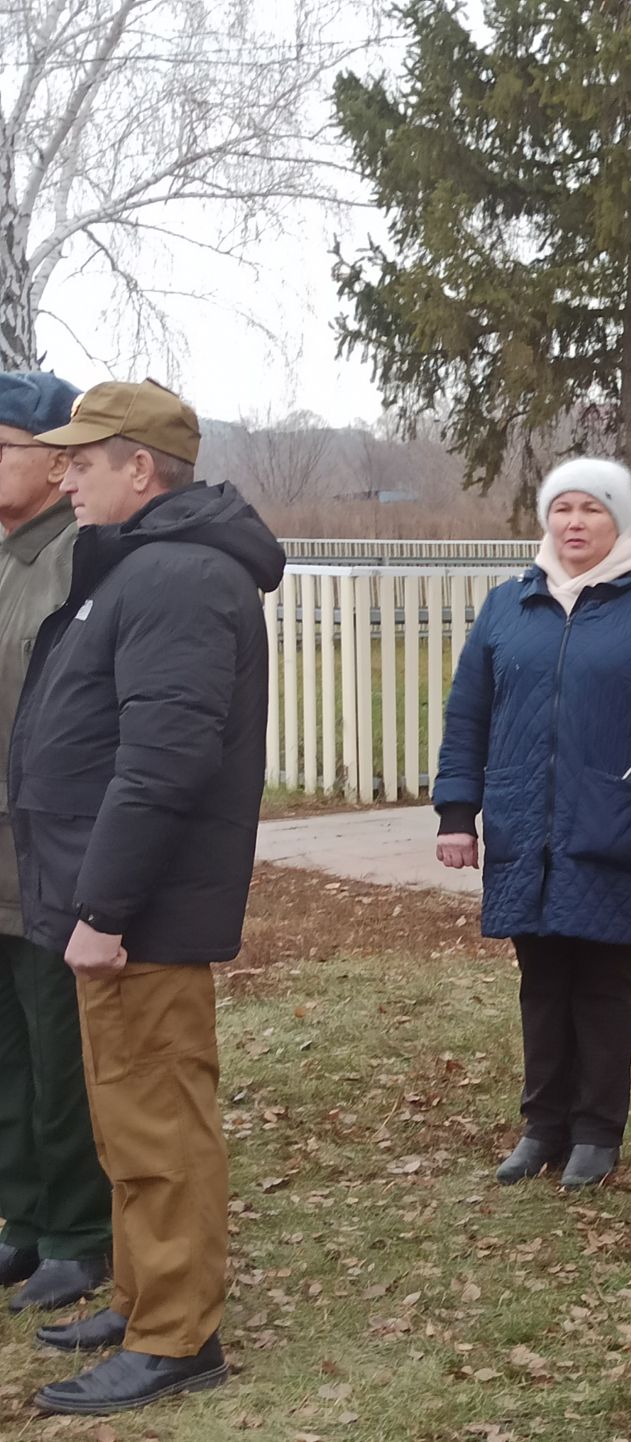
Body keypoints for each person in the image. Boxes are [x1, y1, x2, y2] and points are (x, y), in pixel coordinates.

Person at [13, 379, 285, 1415]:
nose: (64, 474)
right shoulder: (141, 564)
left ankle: (178, 1334)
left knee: (160, 1119)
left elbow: (164, 758)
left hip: (141, 915)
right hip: (115, 904)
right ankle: (142, 1295)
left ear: (141, 467)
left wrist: (107, 908)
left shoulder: (175, 576)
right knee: (128, 1116)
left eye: (83, 460)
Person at [435, 458, 631, 1191]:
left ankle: (597, 1129)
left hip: (618, 824)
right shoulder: (509, 606)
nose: (574, 524)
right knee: (541, 978)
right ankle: (543, 1126)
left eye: (591, 509)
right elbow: (469, 712)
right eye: (562, 510)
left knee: (601, 979)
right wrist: (458, 812)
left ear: (619, 519)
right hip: (526, 825)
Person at [0, 371, 112, 1316]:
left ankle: (80, 1231)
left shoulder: (84, 557)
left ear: (55, 461)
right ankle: (25, 1219)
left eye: (1, 446)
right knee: (7, 1048)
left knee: (59, 1047)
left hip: (45, 849)